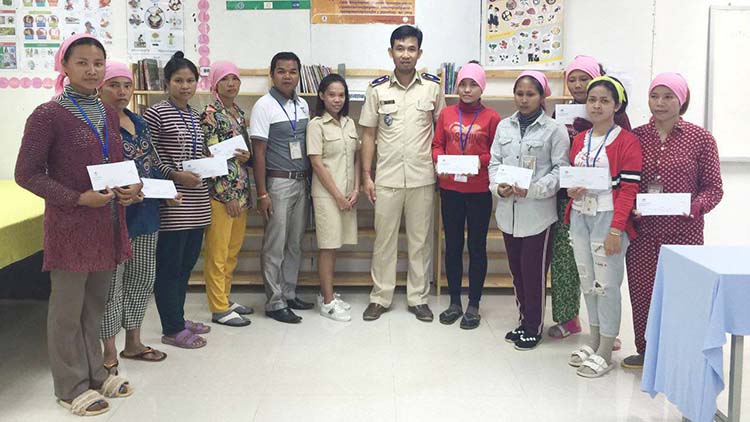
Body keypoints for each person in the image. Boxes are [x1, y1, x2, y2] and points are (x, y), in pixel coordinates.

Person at [15, 34, 134, 417]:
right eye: (82, 62)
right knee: (66, 311)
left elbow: (114, 163)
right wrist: (77, 198)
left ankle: (96, 373)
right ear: (64, 66)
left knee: (94, 307)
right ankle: (69, 386)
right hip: (70, 226)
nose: (92, 70)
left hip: (106, 223)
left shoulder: (106, 111)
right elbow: (26, 174)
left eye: (98, 63)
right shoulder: (47, 115)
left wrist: (129, 188)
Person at [622, 73, 723, 369]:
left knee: (682, 295)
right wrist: (630, 208)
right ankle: (647, 351)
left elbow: (714, 189)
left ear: (682, 100)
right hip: (643, 232)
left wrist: (694, 207)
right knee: (643, 293)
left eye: (668, 97)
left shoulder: (700, 138)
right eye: (655, 96)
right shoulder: (636, 137)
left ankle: (681, 354)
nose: (660, 103)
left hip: (683, 233)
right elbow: (625, 183)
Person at [360, 25, 445, 322]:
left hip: (423, 177)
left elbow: (441, 132)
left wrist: (441, 171)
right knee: (384, 241)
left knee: (420, 242)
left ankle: (418, 298)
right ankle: (380, 297)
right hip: (387, 178)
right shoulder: (377, 89)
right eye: (400, 48)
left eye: (411, 49)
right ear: (391, 52)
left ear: (419, 53)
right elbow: (368, 135)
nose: (405, 54)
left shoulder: (433, 88)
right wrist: (367, 175)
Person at [548, 55, 630, 351]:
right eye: (572, 79)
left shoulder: (621, 129)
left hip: (607, 210)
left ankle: (606, 337)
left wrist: (616, 227)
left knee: (605, 277)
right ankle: (576, 323)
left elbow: (626, 177)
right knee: (575, 268)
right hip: (573, 204)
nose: (578, 85)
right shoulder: (566, 118)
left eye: (584, 78)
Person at [565, 76, 642, 377]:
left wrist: (615, 230)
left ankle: (607, 350)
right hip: (579, 217)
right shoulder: (580, 139)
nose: (596, 106)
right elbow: (574, 178)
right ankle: (594, 340)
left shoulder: (627, 141)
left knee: (607, 286)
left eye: (604, 101)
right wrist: (572, 190)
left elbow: (629, 190)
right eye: (592, 100)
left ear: (617, 105)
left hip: (608, 219)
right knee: (588, 282)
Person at [488, 71, 568, 350]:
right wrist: (498, 188)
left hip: (538, 216)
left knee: (533, 274)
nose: (524, 99)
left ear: (542, 96)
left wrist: (533, 189)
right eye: (519, 94)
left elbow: (560, 171)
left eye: (530, 94)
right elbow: (494, 164)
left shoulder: (554, 130)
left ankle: (533, 327)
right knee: (517, 272)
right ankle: (523, 322)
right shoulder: (504, 126)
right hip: (508, 213)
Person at [98, 61, 168, 372]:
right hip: (112, 216)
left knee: (141, 278)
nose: (122, 91)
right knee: (111, 285)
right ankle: (108, 350)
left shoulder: (139, 122)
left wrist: (167, 191)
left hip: (146, 213)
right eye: (114, 85)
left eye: (127, 85)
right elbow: (94, 172)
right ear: (100, 87)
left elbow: (150, 164)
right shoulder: (95, 124)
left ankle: (134, 342)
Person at [144, 51, 212, 348]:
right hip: (174, 200)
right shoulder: (156, 113)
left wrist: (208, 160)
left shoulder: (194, 114)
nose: (185, 86)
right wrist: (174, 175)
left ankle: (179, 318)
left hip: (197, 199)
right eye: (178, 80)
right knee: (170, 267)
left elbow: (193, 153)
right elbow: (148, 156)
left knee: (186, 265)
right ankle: (171, 328)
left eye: (190, 81)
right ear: (167, 83)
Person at [432, 62, 500, 329]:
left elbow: (496, 154)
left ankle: (473, 304)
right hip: (450, 190)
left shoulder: (492, 117)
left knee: (476, 247)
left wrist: (476, 162)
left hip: (479, 191)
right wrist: (441, 160)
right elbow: (437, 145)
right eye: (463, 84)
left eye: (473, 85)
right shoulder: (446, 114)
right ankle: (454, 302)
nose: (467, 90)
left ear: (482, 88)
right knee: (452, 246)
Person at [250, 51, 314, 324]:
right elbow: (259, 153)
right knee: (275, 245)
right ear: (272, 74)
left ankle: (289, 293)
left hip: (302, 181)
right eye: (281, 71)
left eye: (292, 71)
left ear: (298, 74)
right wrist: (262, 193)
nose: (287, 76)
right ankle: (274, 302)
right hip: (277, 183)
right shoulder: (263, 106)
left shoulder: (303, 105)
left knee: (295, 243)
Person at [200, 60, 254, 327]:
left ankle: (225, 298)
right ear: (215, 83)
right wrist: (227, 194)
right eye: (225, 79)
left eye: (235, 78)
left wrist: (247, 156)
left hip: (241, 192)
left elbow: (239, 153)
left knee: (232, 252)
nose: (231, 84)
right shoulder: (210, 115)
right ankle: (218, 307)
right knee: (218, 254)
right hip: (222, 196)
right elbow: (211, 159)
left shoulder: (238, 112)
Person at [306, 73, 360, 322]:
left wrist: (356, 188)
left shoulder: (349, 123)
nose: (337, 100)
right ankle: (328, 303)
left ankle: (325, 294)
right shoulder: (316, 125)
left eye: (341, 95)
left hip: (347, 195)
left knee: (335, 244)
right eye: (331, 95)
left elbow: (356, 158)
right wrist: (338, 196)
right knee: (327, 247)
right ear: (321, 96)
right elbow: (317, 164)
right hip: (327, 196)